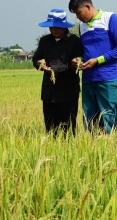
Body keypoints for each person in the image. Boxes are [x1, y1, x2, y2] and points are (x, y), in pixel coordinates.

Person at [68, 0, 117, 134]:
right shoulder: (82, 26)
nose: (78, 17)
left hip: (106, 78)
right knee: (90, 119)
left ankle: (113, 148)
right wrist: (79, 60)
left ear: (88, 6)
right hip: (88, 79)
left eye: (79, 13)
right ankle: (95, 150)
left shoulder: (110, 18)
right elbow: (85, 51)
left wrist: (98, 60)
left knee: (109, 117)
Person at [32, 9, 84, 137]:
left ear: (64, 26)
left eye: (58, 27)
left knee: (68, 128)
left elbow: (81, 58)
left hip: (68, 91)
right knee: (50, 129)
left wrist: (77, 61)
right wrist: (39, 63)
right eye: (52, 27)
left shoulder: (74, 41)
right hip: (49, 92)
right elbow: (36, 58)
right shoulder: (44, 41)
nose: (54, 30)